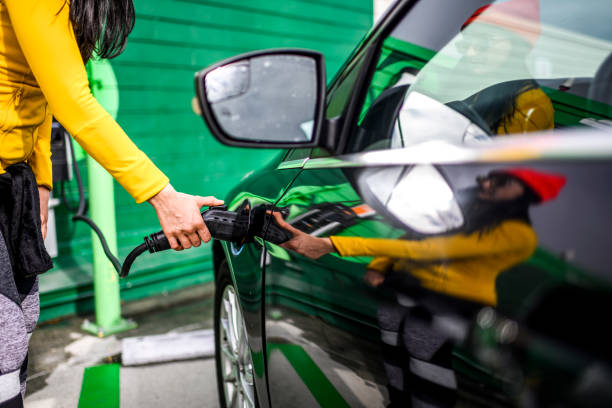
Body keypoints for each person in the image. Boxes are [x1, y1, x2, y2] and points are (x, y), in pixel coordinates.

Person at [0, 1, 221, 405]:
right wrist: (163, 195)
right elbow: (73, 100)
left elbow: (44, 95)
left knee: (22, 319)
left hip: (13, 181)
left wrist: (42, 183)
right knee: (3, 331)